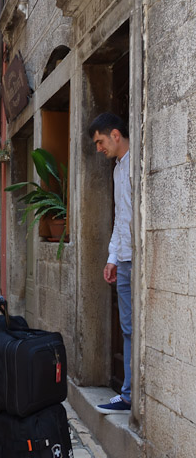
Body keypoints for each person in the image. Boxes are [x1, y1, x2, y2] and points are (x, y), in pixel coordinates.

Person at [89, 112, 132, 414]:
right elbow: (120, 217)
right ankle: (129, 395)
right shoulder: (117, 170)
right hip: (126, 258)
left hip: (141, 258)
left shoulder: (136, 164)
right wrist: (112, 258)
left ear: (115, 135)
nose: (98, 148)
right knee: (128, 328)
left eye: (100, 141)